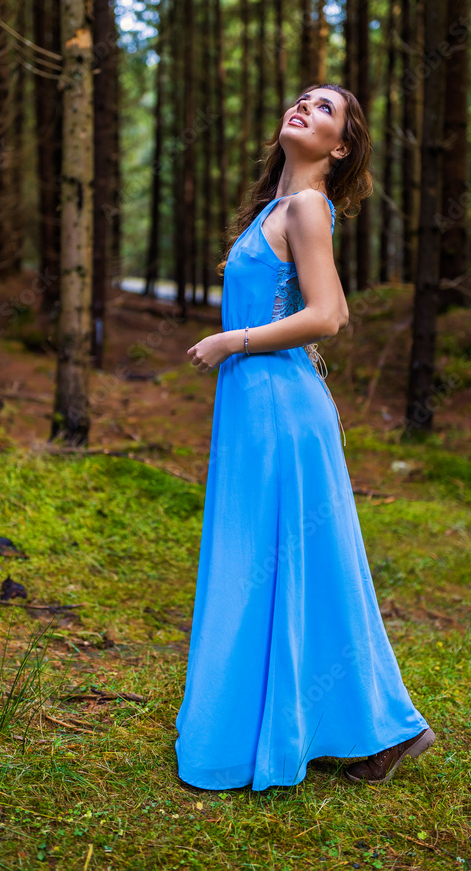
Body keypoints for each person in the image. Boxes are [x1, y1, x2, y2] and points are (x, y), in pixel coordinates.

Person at [175, 83, 435, 791]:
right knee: (282, 562)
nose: (302, 107)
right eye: (300, 99)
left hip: (278, 411)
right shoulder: (277, 207)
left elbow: (328, 315)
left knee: (285, 561)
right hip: (262, 409)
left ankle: (381, 726)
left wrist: (234, 340)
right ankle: (356, 727)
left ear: (340, 147)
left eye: (324, 109)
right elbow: (325, 306)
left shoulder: (306, 206)